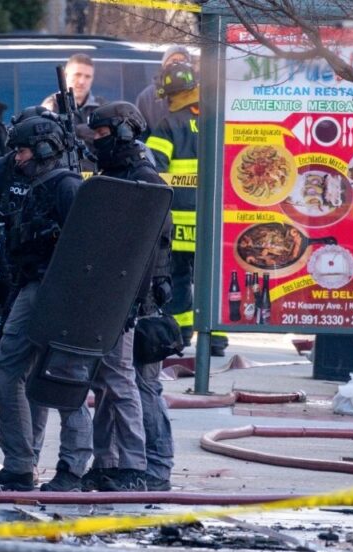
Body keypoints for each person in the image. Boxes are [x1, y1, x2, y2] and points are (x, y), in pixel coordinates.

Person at [0, 115, 93, 492]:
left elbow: (87, 250)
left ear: (42, 150)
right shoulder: (39, 184)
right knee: (7, 374)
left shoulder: (67, 187)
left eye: (22, 150)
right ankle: (20, 466)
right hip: (32, 287)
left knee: (66, 381)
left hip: (60, 291)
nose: (17, 158)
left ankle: (72, 468)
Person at [87, 101, 176, 492]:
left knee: (141, 386)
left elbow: (154, 248)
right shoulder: (118, 172)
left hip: (138, 301)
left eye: (103, 135)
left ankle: (154, 467)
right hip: (119, 295)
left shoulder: (144, 179)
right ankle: (109, 461)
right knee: (110, 383)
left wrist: (144, 298)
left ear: (124, 132)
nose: (98, 142)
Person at [145, 61, 228, 357]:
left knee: (178, 276)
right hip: (213, 220)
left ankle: (180, 333)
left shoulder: (169, 123)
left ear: (170, 94)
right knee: (210, 276)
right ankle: (217, 337)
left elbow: (154, 167)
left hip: (179, 221)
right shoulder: (217, 120)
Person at [40, 53, 103, 168]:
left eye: (87, 76)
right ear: (65, 75)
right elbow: (47, 139)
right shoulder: (52, 105)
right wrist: (82, 131)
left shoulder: (102, 107)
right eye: (78, 75)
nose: (82, 81)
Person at [135, 46, 192, 138]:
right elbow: (141, 131)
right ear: (164, 64)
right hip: (158, 150)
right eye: (174, 60)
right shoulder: (147, 96)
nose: (178, 64)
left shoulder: (196, 93)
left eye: (183, 61)